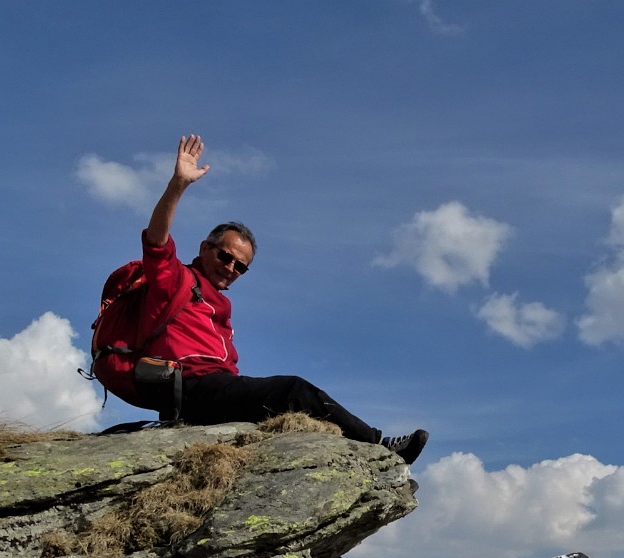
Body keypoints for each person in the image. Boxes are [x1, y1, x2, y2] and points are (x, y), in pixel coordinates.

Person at [137, 134, 428, 464]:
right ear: (205, 248)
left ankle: (377, 475)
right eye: (225, 257)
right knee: (293, 391)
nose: (231, 268)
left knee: (284, 432)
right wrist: (178, 184)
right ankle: (380, 446)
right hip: (190, 388)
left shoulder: (220, 303)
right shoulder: (175, 279)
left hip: (216, 390)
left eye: (241, 267)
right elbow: (156, 241)